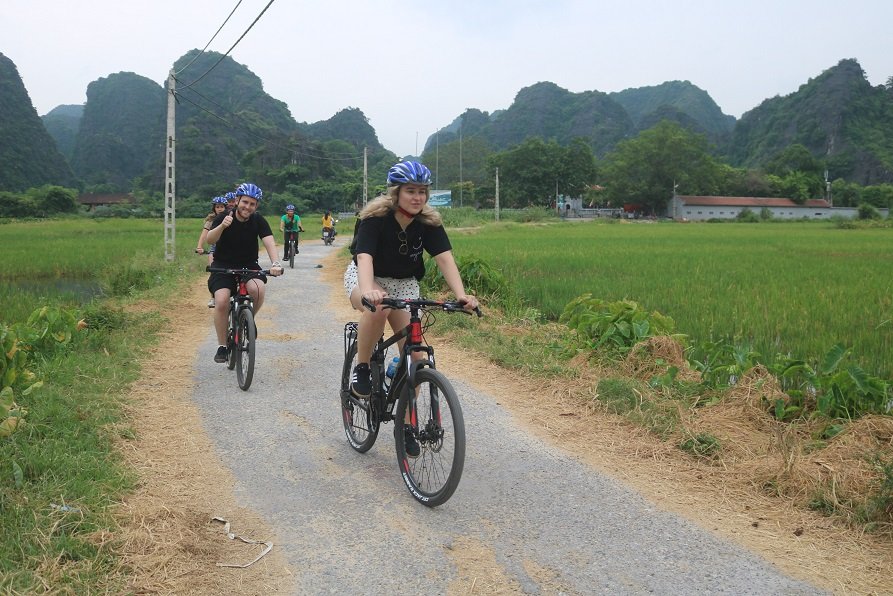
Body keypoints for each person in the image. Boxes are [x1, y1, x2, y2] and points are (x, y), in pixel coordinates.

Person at [344, 160, 479, 456]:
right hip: (367, 276)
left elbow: (444, 259)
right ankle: (363, 367)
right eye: (410, 191)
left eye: (422, 191)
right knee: (376, 309)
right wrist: (368, 289)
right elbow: (364, 257)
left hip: (405, 283)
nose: (418, 197)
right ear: (395, 193)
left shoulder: (428, 222)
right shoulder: (374, 218)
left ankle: (405, 425)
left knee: (415, 358)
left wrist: (462, 295)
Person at [206, 182, 283, 363]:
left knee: (258, 290)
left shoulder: (258, 220)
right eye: (245, 202)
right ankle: (222, 346)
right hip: (222, 266)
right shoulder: (224, 217)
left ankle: (248, 320)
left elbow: (269, 242)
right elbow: (210, 239)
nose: (248, 207)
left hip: (249, 265)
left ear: (256, 206)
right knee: (222, 300)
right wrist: (222, 226)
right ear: (238, 200)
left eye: (252, 204)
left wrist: (276, 263)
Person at [196, 196, 229, 307]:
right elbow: (204, 234)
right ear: (214, 208)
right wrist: (199, 246)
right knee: (214, 271)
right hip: (214, 248)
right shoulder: (211, 220)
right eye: (217, 207)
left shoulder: (230, 217)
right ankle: (213, 297)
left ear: (226, 207)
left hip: (228, 248)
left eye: (222, 207)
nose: (219, 209)